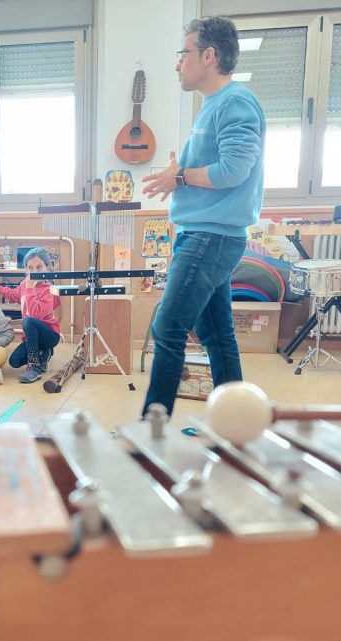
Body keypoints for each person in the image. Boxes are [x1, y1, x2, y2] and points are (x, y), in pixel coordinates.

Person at [140, 16, 265, 417]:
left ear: (208, 56)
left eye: (184, 53)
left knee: (168, 327)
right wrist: (179, 174)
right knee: (215, 333)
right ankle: (236, 421)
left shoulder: (234, 102)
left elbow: (234, 170)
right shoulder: (215, 104)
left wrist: (179, 176)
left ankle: (152, 427)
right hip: (208, 233)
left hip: (210, 237)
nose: (178, 63)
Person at [0, 248, 61, 384]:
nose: (34, 271)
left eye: (39, 267)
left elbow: (36, 315)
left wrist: (30, 289)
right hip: (33, 338)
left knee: (28, 321)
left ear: (47, 268)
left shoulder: (50, 289)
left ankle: (34, 367)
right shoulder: (24, 285)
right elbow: (13, 294)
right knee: (14, 361)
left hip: (50, 336)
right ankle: (43, 353)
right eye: (30, 268)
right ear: (26, 270)